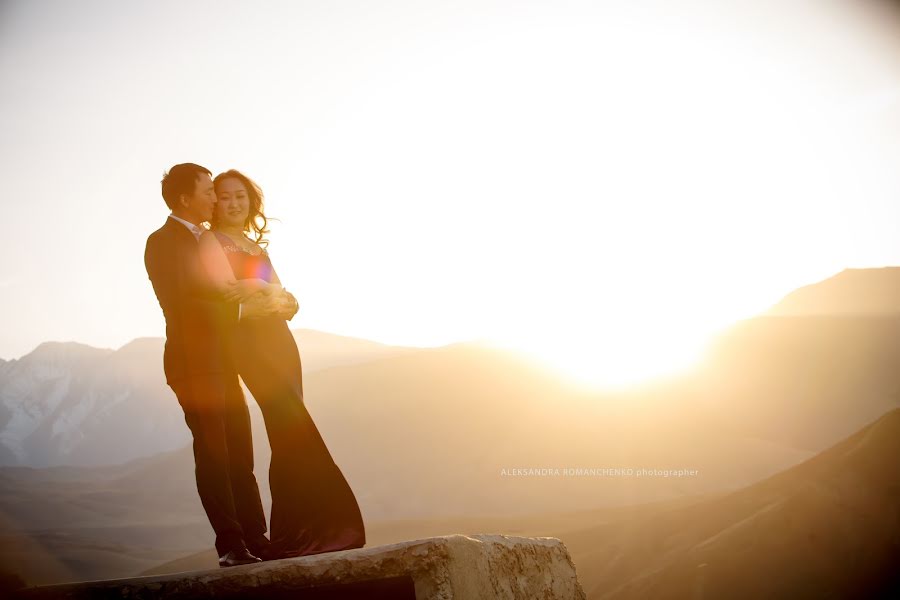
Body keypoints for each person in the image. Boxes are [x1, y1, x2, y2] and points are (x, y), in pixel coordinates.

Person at [197, 169, 366, 559]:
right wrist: (269, 293)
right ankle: (316, 529)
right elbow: (233, 298)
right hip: (250, 344)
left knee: (287, 429)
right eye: (225, 197)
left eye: (241, 196)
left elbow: (288, 304)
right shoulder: (211, 241)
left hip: (281, 344)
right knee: (290, 424)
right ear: (214, 202)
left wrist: (270, 292)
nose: (234, 203)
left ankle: (300, 531)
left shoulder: (256, 247)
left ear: (250, 201)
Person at [144, 163, 273, 567]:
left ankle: (257, 538)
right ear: (185, 198)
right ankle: (231, 546)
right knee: (215, 453)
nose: (216, 198)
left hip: (224, 361)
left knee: (241, 452)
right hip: (194, 364)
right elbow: (183, 301)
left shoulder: (211, 239)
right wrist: (242, 305)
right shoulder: (162, 241)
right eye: (208, 191)